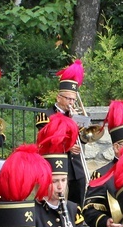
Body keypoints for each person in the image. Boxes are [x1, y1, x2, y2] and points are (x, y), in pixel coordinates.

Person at [37, 60, 87, 207]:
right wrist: (68, 146)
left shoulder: (75, 115)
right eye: (68, 99)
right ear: (59, 97)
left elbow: (85, 138)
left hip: (76, 165)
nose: (71, 102)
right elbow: (47, 140)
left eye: (73, 99)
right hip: (56, 164)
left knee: (77, 197)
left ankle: (77, 224)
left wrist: (78, 123)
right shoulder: (46, 115)